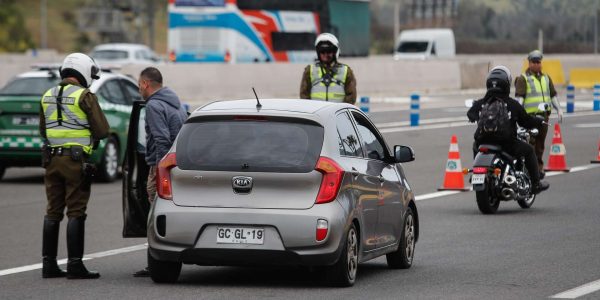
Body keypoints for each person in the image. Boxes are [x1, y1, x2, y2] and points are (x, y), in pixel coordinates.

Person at [40, 53, 109, 279]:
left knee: (53, 211)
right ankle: (75, 265)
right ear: (83, 71)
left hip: (51, 160)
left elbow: (43, 130)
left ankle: (48, 264)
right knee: (76, 211)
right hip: (75, 161)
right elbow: (102, 130)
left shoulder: (47, 95)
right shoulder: (84, 95)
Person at [133, 67, 188, 277]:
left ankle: (156, 262)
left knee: (154, 215)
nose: (139, 88)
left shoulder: (155, 105)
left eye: (139, 84)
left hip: (161, 166)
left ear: (146, 84)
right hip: (177, 163)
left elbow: (161, 139)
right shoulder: (175, 102)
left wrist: (159, 170)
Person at [467, 66, 550, 194]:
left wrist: (475, 117)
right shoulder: (512, 104)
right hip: (505, 143)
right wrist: (538, 121)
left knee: (475, 146)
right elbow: (526, 121)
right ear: (507, 84)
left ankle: (477, 171)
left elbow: (470, 114)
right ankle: (536, 184)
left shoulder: (482, 103)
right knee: (528, 151)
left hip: (482, 141)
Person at [514, 50, 563, 179]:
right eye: (534, 62)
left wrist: (559, 109)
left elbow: (552, 95)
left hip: (544, 117)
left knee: (540, 145)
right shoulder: (523, 78)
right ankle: (529, 171)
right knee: (530, 144)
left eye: (538, 62)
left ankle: (538, 169)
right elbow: (520, 99)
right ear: (529, 63)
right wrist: (517, 115)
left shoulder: (546, 78)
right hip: (530, 118)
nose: (537, 64)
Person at [300, 33, 357, 104]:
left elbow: (351, 97)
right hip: (316, 114)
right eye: (322, 51)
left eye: (329, 51)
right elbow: (304, 96)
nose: (325, 54)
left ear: (335, 52)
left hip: (337, 114)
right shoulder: (309, 70)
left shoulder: (346, 71)